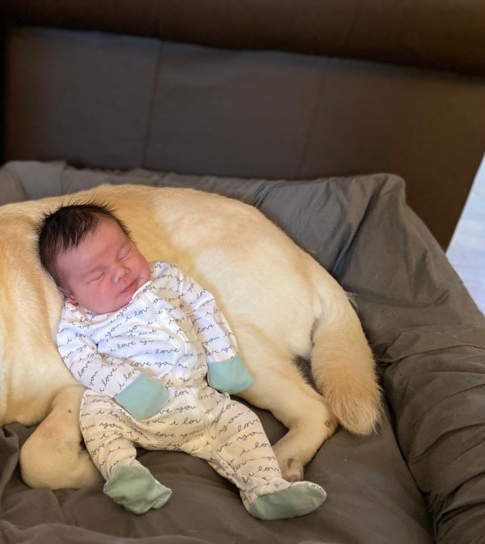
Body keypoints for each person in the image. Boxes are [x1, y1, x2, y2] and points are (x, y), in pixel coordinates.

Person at [37, 203, 327, 518]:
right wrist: (127, 387)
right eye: (97, 275)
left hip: (198, 398)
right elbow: (79, 359)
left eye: (124, 253)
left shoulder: (167, 277)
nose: (121, 272)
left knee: (242, 422)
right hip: (132, 408)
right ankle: (126, 474)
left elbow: (205, 310)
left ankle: (266, 489)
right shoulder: (79, 320)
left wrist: (224, 360)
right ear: (72, 294)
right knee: (95, 412)